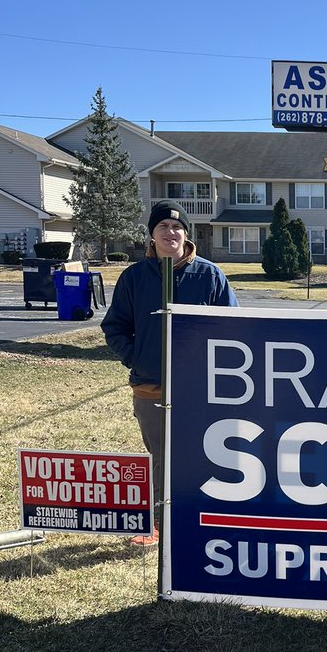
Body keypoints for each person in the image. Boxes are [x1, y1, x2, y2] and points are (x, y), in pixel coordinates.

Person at [102, 202, 239, 546]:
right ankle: (159, 526)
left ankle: (200, 520)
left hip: (201, 389)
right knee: (161, 457)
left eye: (177, 227)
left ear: (187, 234)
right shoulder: (134, 277)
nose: (170, 232)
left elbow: (235, 327)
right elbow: (115, 326)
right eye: (162, 225)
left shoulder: (209, 276)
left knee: (203, 455)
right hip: (152, 387)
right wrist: (137, 357)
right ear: (151, 233)